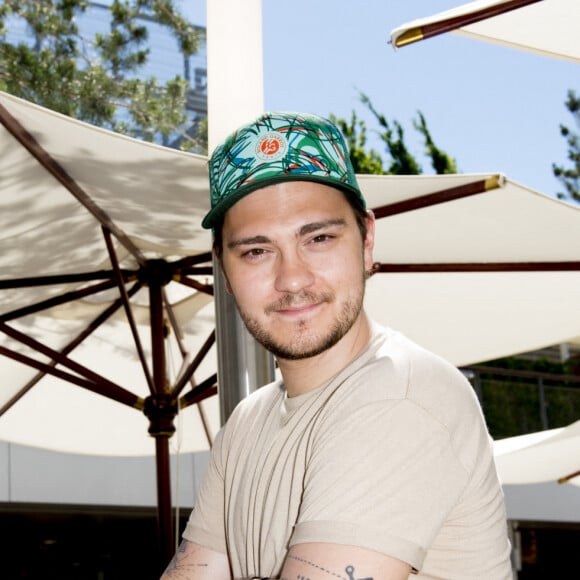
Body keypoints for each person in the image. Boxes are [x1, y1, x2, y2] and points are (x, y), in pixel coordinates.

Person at [161, 112, 513, 579]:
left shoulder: (403, 395)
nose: (292, 278)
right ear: (224, 271)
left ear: (367, 241)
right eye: (256, 251)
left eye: (320, 238)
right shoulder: (246, 424)